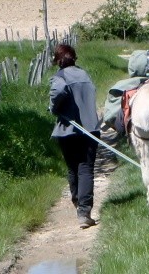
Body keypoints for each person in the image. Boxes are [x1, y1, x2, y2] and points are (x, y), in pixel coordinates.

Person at [49, 44, 100, 229]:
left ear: (58, 60)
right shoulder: (84, 74)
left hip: (68, 130)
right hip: (90, 129)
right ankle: (84, 212)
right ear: (74, 58)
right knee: (85, 168)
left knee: (73, 169)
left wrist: (54, 108)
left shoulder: (60, 77)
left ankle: (78, 204)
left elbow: (58, 92)